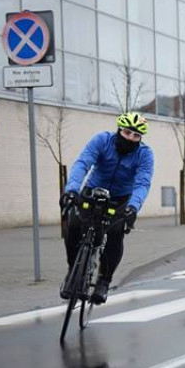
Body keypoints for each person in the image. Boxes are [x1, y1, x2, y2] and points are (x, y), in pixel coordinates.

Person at [60, 112, 155, 304]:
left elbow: (142, 183)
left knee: (115, 234)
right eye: (127, 132)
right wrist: (71, 190)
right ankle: (73, 270)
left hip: (120, 199)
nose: (131, 138)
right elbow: (82, 163)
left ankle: (104, 281)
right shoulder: (102, 140)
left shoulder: (145, 154)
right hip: (92, 191)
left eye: (136, 136)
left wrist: (133, 208)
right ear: (119, 129)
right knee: (74, 225)